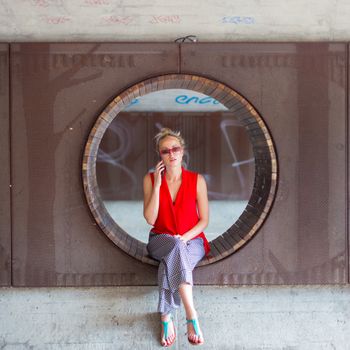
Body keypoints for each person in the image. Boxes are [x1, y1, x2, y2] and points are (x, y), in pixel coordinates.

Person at [143, 127, 211, 347]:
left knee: (173, 255)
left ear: (182, 151)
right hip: (160, 240)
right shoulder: (151, 179)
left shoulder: (197, 180)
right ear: (160, 155)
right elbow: (151, 220)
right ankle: (192, 315)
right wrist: (158, 186)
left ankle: (165, 316)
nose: (171, 153)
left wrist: (185, 237)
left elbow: (204, 221)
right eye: (165, 151)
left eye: (175, 149)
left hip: (193, 241)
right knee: (173, 245)